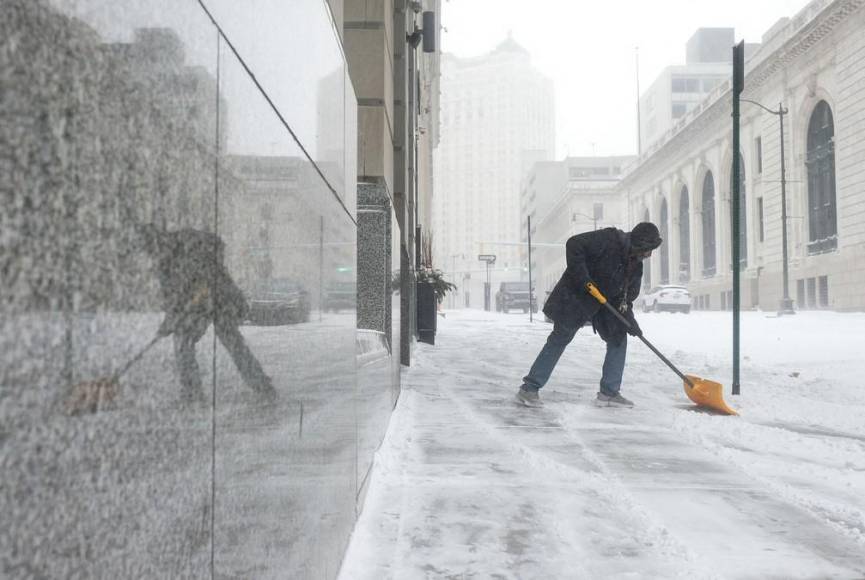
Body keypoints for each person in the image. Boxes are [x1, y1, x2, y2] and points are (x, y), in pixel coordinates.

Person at [515, 222, 662, 408]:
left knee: (618, 338)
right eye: (648, 249)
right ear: (640, 243)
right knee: (560, 338)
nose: (649, 254)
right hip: (577, 297)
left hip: (603, 304)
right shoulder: (609, 239)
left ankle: (609, 393)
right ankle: (529, 389)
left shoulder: (635, 267)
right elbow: (574, 244)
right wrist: (583, 279)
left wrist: (631, 323)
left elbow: (625, 300)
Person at [137, 224, 276, 403]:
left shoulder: (186, 248)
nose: (149, 254)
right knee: (190, 341)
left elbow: (204, 279)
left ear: (155, 242)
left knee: (224, 340)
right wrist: (169, 322)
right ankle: (195, 393)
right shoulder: (166, 261)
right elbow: (173, 298)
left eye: (148, 248)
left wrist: (193, 300)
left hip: (218, 297)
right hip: (206, 301)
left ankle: (260, 386)